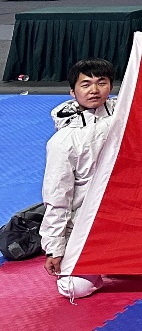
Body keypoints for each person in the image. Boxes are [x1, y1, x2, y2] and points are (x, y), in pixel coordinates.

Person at [41, 59, 117, 300]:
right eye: (86, 84)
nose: (94, 90)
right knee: (74, 287)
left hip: (127, 215)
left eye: (101, 83)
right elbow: (57, 198)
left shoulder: (126, 115)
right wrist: (54, 248)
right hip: (86, 220)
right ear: (73, 92)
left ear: (111, 86)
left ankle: (122, 258)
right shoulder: (63, 142)